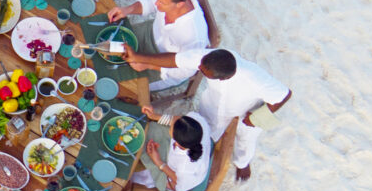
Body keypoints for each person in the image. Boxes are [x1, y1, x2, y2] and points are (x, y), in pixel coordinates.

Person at [124, 47, 293, 180]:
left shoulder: (255, 78)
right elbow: (176, 60)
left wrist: (255, 118)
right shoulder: (209, 58)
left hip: (248, 111)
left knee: (246, 138)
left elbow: (284, 95)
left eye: (204, 73)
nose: (199, 70)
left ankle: (242, 163)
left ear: (223, 78)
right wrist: (139, 57)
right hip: (213, 105)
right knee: (201, 132)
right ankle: (205, 153)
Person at [108, 0, 210, 90]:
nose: (156, 4)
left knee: (119, 85)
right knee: (109, 43)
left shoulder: (194, 35)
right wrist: (127, 10)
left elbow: (185, 70)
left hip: (164, 64)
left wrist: (149, 64)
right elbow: (150, 2)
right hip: (148, 33)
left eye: (162, 3)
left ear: (180, 4)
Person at [132, 107, 212, 191]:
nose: (172, 121)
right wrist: (154, 116)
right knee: (149, 130)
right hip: (182, 158)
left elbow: (177, 183)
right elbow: (176, 119)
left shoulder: (185, 167)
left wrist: (158, 161)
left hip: (178, 180)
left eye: (171, 128)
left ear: (177, 142)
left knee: (139, 170)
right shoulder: (196, 121)